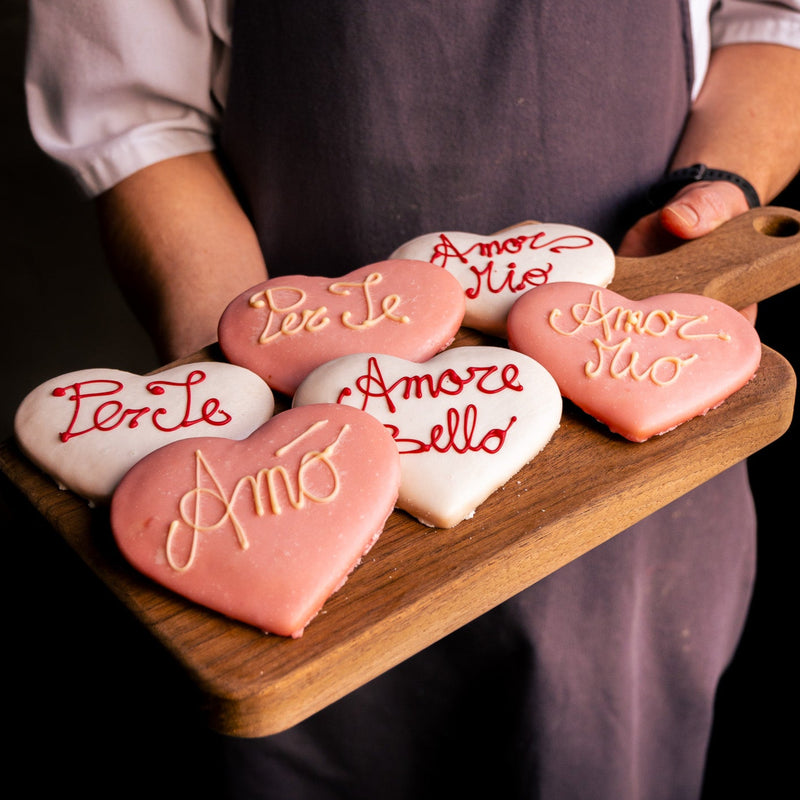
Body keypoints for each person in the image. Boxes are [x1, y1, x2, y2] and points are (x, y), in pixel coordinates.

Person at [24, 2, 800, 799]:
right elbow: (137, 118)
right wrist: (250, 391)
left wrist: (713, 198)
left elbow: (774, 20)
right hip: (293, 488)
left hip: (639, 456)